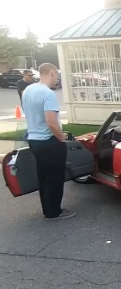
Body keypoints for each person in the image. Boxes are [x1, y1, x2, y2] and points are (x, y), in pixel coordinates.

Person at [21, 63, 74, 220]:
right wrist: (61, 138)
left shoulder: (28, 90)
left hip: (34, 140)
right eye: (56, 75)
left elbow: (30, 114)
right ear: (50, 73)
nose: (56, 79)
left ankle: (47, 209)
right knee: (55, 177)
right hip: (49, 141)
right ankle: (54, 211)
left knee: (43, 176)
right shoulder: (48, 93)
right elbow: (51, 122)